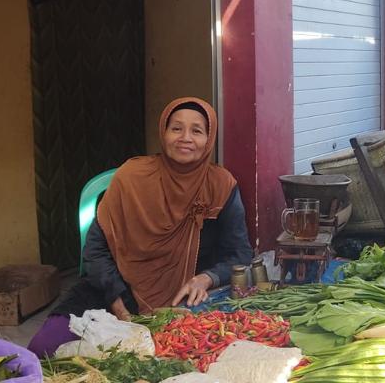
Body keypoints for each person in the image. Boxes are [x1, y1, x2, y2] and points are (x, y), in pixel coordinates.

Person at [28, 97, 253, 356]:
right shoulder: (131, 177)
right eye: (176, 128)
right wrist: (119, 308)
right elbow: (96, 250)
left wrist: (205, 279)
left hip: (183, 299)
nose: (185, 138)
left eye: (197, 131)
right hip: (113, 289)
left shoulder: (221, 186)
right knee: (44, 347)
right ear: (163, 133)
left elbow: (240, 254)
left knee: (181, 360)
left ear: (209, 139)